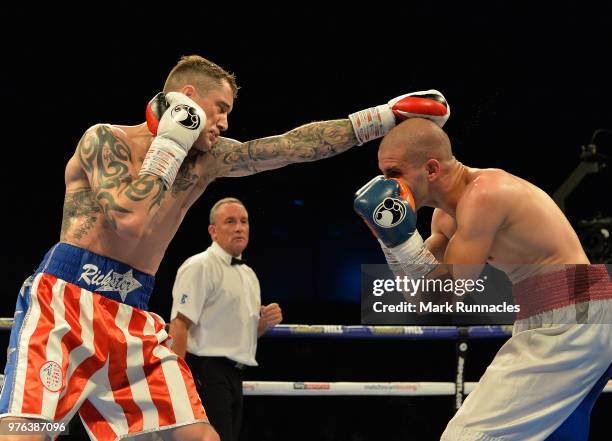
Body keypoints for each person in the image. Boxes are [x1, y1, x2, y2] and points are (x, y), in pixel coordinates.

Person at [0, 53, 450, 441]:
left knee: (199, 434)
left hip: (133, 312)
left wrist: (384, 117)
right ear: (187, 98)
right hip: (66, 301)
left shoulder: (208, 160)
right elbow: (128, 221)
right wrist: (170, 144)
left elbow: (290, 146)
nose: (224, 123)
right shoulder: (106, 139)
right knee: (23, 431)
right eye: (219, 109)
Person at [354, 118, 612, 440]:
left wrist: (403, 243)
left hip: (576, 315)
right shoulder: (445, 217)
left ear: (431, 170)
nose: (388, 185)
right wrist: (390, 243)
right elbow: (422, 299)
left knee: (468, 436)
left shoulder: (485, 195)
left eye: (394, 174)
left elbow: (448, 295)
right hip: (556, 318)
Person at [169, 197, 281, 441]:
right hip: (206, 372)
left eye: (243, 221)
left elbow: (244, 334)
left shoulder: (249, 275)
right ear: (213, 231)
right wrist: (176, 384)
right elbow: (179, 325)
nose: (239, 227)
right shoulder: (199, 266)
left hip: (235, 374)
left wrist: (265, 323)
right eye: (230, 221)